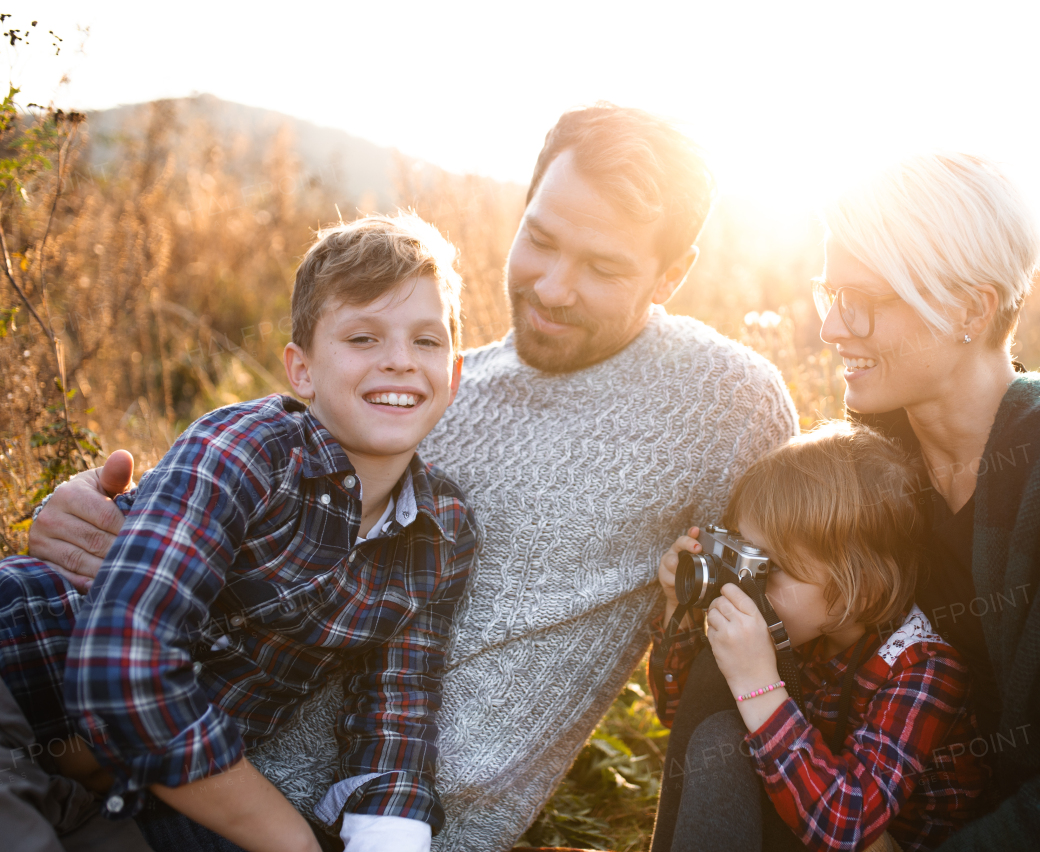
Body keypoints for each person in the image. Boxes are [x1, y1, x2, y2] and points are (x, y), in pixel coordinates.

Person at [25, 103, 800, 851]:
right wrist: (89, 515)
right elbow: (225, 507)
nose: (555, 286)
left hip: (397, 824)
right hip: (195, 773)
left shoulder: (725, 402)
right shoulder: (431, 388)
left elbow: (789, 625)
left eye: (602, 267)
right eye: (541, 238)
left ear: (671, 275)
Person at [672, 151, 1040, 850]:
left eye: (863, 303)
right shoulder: (875, 464)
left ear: (970, 308)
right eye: (828, 295)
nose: (833, 329)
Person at [1, 213, 476, 852]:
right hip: (22, 683)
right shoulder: (250, 449)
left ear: (454, 373)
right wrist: (295, 842)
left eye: (426, 341)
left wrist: (387, 837)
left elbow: (396, 715)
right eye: (362, 338)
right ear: (301, 370)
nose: (399, 361)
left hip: (135, 780)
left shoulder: (442, 532)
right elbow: (121, 671)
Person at [649, 422, 987, 852]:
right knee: (717, 729)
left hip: (870, 837)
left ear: (858, 591)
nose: (750, 585)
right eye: (746, 556)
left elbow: (850, 827)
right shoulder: (797, 624)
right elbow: (677, 713)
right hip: (801, 804)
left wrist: (758, 684)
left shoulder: (923, 669)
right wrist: (674, 606)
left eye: (772, 569)